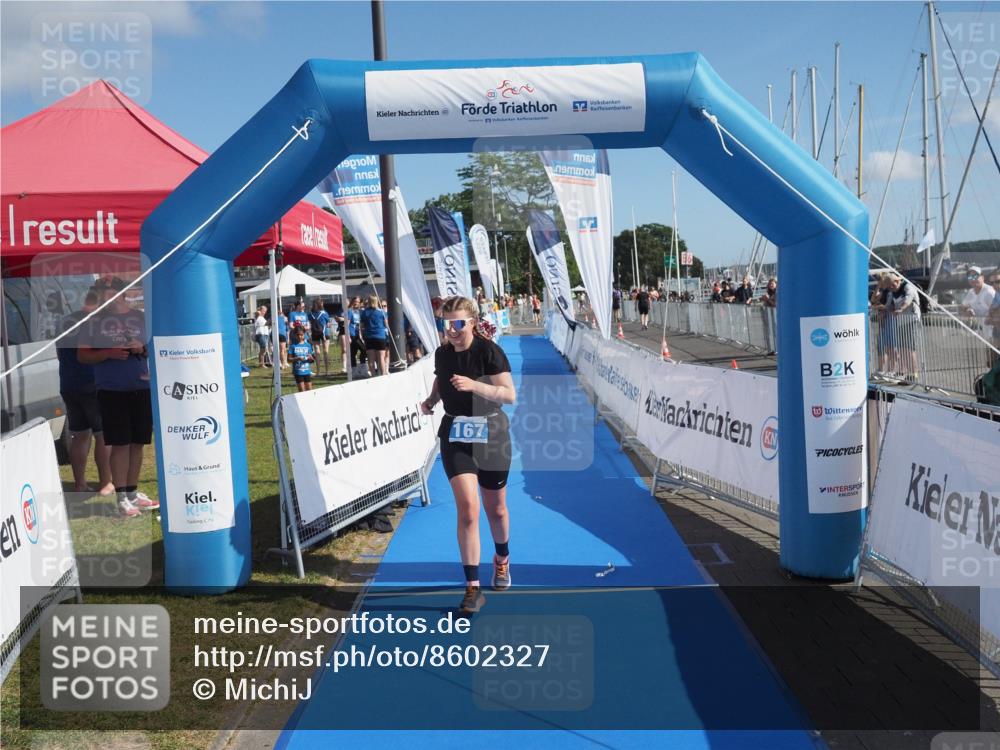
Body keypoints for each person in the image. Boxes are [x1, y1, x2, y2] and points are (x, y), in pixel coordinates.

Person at [420, 296, 516, 615]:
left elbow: (508, 394)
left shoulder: (489, 351)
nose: (452, 330)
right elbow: (441, 376)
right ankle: (472, 588)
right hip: (456, 434)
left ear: (472, 322)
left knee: (497, 510)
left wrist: (475, 386)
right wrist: (432, 400)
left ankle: (501, 560)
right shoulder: (442, 353)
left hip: (491, 433)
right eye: (446, 324)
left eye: (458, 323)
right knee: (469, 510)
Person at [77, 278, 159, 517]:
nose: (107, 300)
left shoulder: (141, 318)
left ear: (124, 295)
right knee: (120, 443)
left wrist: (141, 348)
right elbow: (83, 356)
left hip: (141, 386)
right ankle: (121, 496)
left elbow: (154, 347)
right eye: (103, 296)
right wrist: (108, 353)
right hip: (111, 391)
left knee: (138, 442)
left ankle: (132, 492)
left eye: (112, 295)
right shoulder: (92, 322)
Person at [57, 289, 114, 496]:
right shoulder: (95, 322)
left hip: (68, 384)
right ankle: (106, 483)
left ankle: (80, 483)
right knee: (103, 435)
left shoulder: (64, 321)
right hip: (92, 383)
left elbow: (59, 353)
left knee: (79, 434)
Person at [888, 273, 921, 383]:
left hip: (912, 320)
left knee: (909, 348)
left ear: (897, 281)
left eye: (892, 285)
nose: (890, 288)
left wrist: (901, 309)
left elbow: (909, 299)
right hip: (901, 322)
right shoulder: (893, 291)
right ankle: (906, 375)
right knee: (902, 349)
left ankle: (914, 374)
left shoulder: (908, 286)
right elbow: (890, 304)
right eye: (889, 287)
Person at [959, 266, 996, 342]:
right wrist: (967, 311)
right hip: (986, 332)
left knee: (994, 352)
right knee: (989, 352)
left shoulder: (989, 292)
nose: (973, 279)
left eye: (975, 276)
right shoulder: (971, 292)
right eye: (970, 277)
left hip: (996, 331)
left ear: (982, 277)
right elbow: (962, 307)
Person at [361, 295, 389, 376]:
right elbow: (386, 324)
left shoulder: (364, 312)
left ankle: (373, 376)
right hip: (380, 336)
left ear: (369, 301)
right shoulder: (381, 312)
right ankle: (383, 375)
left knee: (371, 359)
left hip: (369, 337)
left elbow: (362, 326)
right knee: (381, 358)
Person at [288, 327, 316, 392]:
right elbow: (289, 359)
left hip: (307, 371)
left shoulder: (308, 345)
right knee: (302, 391)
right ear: (295, 335)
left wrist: (311, 358)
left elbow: (312, 359)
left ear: (304, 334)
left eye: (301, 335)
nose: (300, 336)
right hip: (298, 372)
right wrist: (297, 358)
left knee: (309, 391)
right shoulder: (292, 346)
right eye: (298, 335)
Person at [308, 299, 331, 376]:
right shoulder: (325, 313)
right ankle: (327, 371)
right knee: (325, 352)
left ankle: (318, 372)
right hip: (325, 333)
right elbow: (328, 324)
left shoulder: (310, 314)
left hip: (315, 333)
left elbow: (309, 324)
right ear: (320, 304)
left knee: (317, 352)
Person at [347, 296, 366, 369]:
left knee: (363, 350)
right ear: (352, 302)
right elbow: (347, 324)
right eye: (355, 301)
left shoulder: (361, 311)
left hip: (359, 334)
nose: (356, 303)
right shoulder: (350, 311)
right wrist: (348, 336)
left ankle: (362, 367)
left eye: (358, 302)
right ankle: (354, 369)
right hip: (352, 334)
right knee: (354, 352)